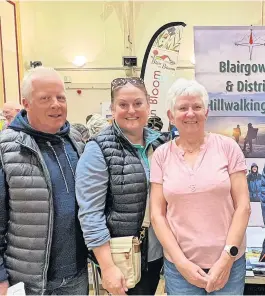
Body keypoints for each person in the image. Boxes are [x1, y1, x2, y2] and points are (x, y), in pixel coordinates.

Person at [150, 78, 250, 295]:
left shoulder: (228, 148)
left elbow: (243, 206)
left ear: (206, 112)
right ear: (170, 115)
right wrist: (181, 263)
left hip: (229, 265)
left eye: (197, 107)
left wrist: (226, 258)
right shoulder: (161, 156)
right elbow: (157, 215)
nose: (190, 113)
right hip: (180, 270)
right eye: (182, 108)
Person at [76, 77, 169, 295]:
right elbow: (90, 213)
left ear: (148, 105)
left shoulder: (160, 145)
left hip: (156, 254)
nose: (131, 110)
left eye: (138, 103)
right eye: (123, 104)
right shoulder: (97, 150)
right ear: (112, 108)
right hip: (123, 260)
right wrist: (107, 267)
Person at [0, 67, 88, 295]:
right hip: (27, 282)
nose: (56, 104)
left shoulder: (77, 142)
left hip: (76, 276)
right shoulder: (5, 149)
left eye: (60, 97)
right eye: (45, 98)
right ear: (26, 103)